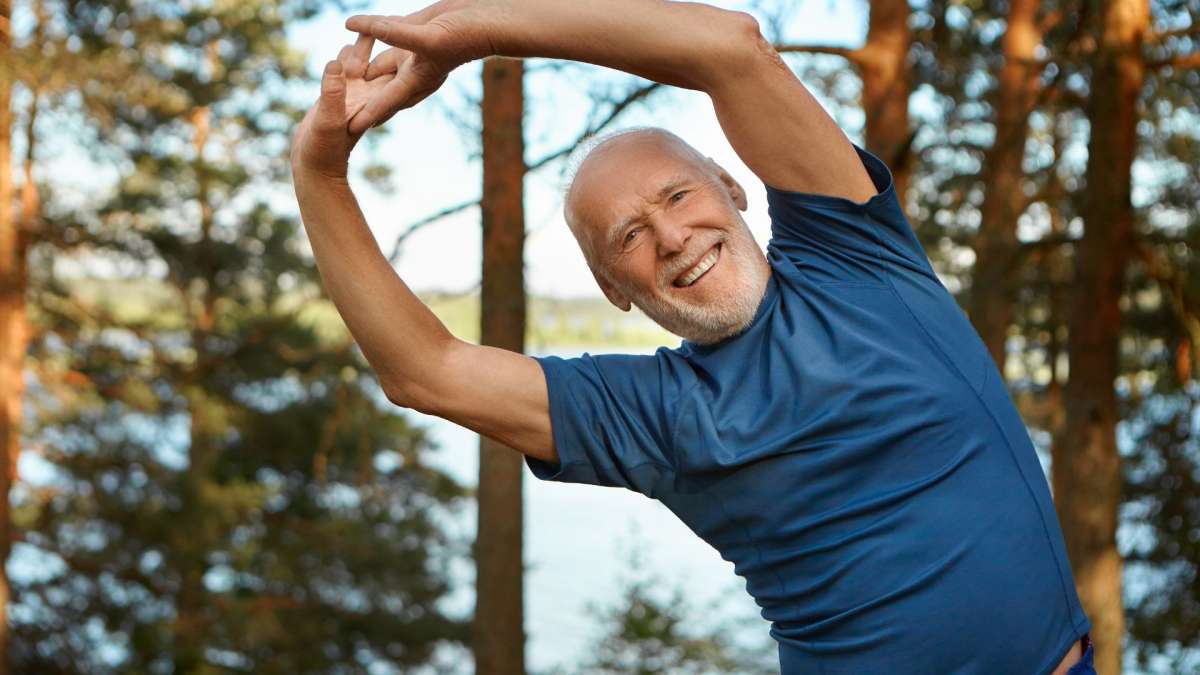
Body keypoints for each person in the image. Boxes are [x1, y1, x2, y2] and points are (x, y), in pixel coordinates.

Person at [289, 1, 1096, 672]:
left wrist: (472, 28)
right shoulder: (653, 414)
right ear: (614, 290)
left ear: (734, 188)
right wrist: (318, 171)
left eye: (678, 196)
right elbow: (425, 370)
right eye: (628, 237)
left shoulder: (856, 257)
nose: (672, 237)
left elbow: (729, 48)